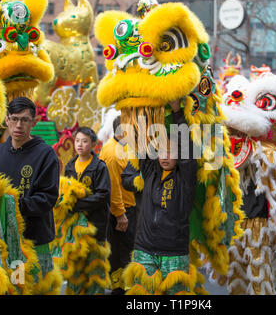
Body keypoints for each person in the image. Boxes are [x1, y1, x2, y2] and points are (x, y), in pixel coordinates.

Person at [123, 99, 198, 295]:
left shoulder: (186, 177)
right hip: (144, 249)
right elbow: (141, 142)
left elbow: (188, 146)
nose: (165, 157)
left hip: (174, 252)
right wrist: (144, 108)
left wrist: (176, 110)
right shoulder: (150, 172)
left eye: (171, 152)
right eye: (161, 152)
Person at [0, 97, 62, 291]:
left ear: (34, 122)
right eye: (14, 119)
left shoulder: (46, 154)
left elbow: (47, 198)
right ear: (6, 120)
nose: (18, 125)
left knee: (36, 288)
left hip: (34, 239)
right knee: (9, 288)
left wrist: (12, 204)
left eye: (25, 120)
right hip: (3, 240)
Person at [59, 126, 111, 294]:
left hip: (95, 226)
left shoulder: (99, 167)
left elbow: (103, 196)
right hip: (75, 230)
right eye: (77, 141)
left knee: (94, 270)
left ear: (94, 144)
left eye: (85, 141)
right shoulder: (69, 166)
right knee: (76, 270)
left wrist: (78, 205)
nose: (80, 145)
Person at [99, 116, 137, 295]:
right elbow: (113, 188)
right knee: (121, 254)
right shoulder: (113, 153)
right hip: (121, 212)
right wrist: (120, 215)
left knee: (125, 251)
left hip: (129, 208)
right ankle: (120, 289)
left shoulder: (122, 147)